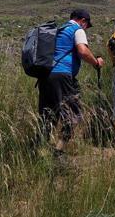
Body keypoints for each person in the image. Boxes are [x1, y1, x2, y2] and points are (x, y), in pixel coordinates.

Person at [38, 9, 104, 152]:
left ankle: (40, 149)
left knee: (48, 114)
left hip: (45, 75)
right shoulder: (77, 30)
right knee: (74, 115)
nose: (86, 28)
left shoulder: (58, 30)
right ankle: (59, 149)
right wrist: (96, 63)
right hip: (62, 75)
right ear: (83, 21)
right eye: (87, 25)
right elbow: (83, 51)